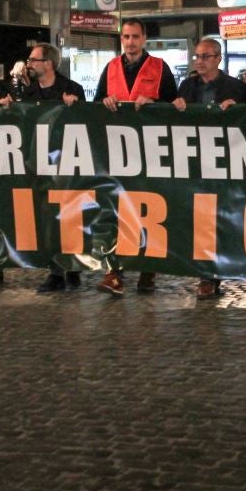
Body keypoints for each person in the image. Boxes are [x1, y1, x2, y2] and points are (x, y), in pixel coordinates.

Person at [94, 18, 178, 297]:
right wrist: (104, 103)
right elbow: (95, 104)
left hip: (150, 151)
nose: (130, 42)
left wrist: (155, 104)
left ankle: (147, 271)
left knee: (149, 210)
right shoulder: (110, 68)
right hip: (118, 152)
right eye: (126, 37)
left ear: (144, 39)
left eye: (135, 37)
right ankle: (114, 271)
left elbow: (175, 106)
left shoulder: (160, 68)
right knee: (116, 209)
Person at [173, 38, 246, 300]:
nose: (200, 61)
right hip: (194, 162)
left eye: (206, 56)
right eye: (197, 56)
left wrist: (238, 109)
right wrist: (176, 108)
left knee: (221, 219)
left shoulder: (237, 88)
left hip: (225, 163)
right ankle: (206, 274)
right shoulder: (187, 86)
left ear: (219, 58)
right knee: (199, 219)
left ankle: (219, 270)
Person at [23, 43, 92, 295]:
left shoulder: (72, 89)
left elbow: (86, 121)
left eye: (34, 60)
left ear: (48, 63)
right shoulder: (28, 94)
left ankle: (72, 265)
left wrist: (75, 106)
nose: (30, 64)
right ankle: (55, 271)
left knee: (71, 214)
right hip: (39, 164)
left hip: (68, 162)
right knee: (48, 216)